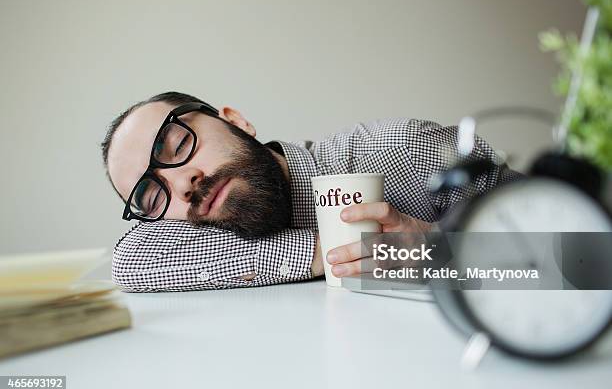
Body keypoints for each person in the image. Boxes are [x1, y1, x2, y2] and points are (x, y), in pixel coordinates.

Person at [101, 91, 520, 292]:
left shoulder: (408, 150)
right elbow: (129, 261)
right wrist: (327, 251)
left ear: (237, 120)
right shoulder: (193, 230)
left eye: (178, 145)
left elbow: (581, 253)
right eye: (153, 196)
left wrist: (433, 249)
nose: (181, 185)